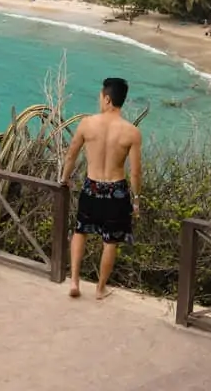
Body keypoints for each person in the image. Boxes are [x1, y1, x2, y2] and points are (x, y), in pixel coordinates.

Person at [60, 78, 142, 300]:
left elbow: (71, 155)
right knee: (110, 241)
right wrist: (136, 200)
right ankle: (100, 288)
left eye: (100, 96)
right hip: (116, 191)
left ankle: (75, 282)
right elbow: (135, 172)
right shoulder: (131, 132)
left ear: (107, 98)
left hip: (91, 187)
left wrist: (64, 178)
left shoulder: (87, 123)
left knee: (80, 232)